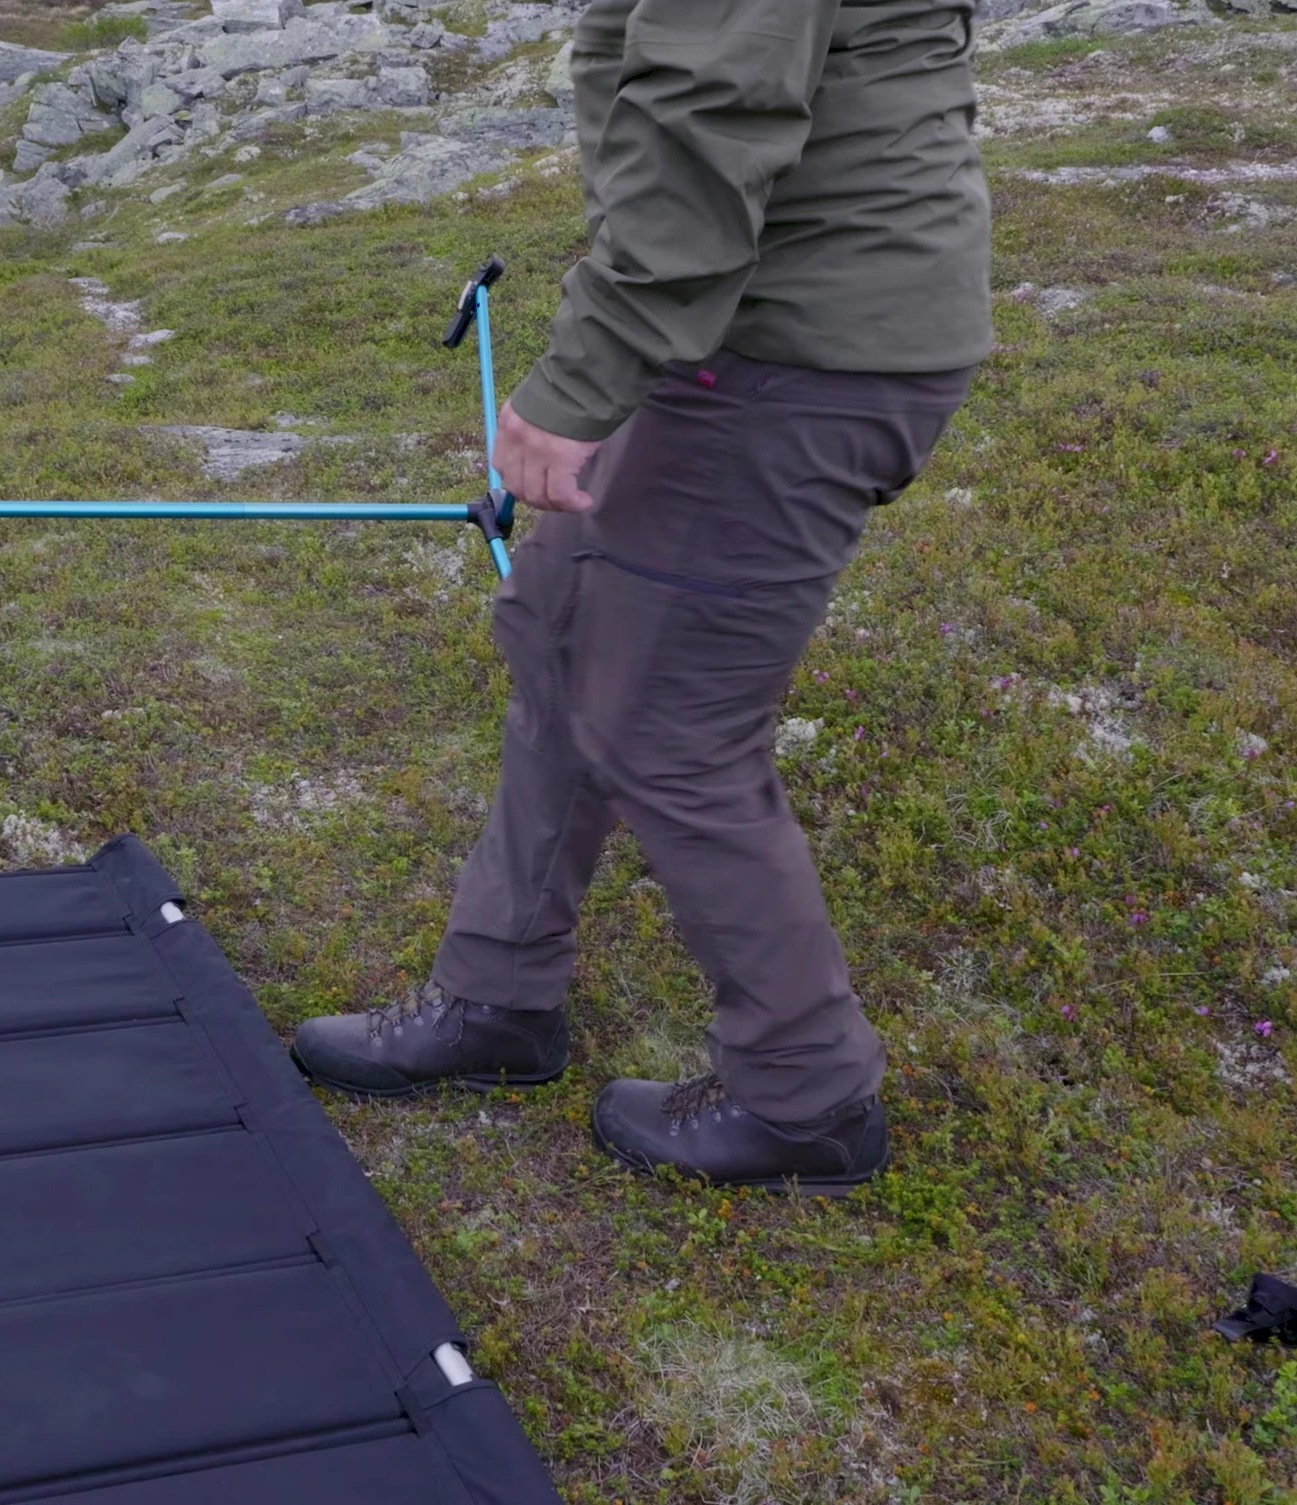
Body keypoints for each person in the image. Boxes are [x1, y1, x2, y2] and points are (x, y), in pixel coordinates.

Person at [293, 0, 993, 1194]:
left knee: (667, 727)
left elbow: (709, 113)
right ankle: (497, 1000)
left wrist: (585, 371)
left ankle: (804, 1098)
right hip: (731, 327)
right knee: (557, 636)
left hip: (790, 356)